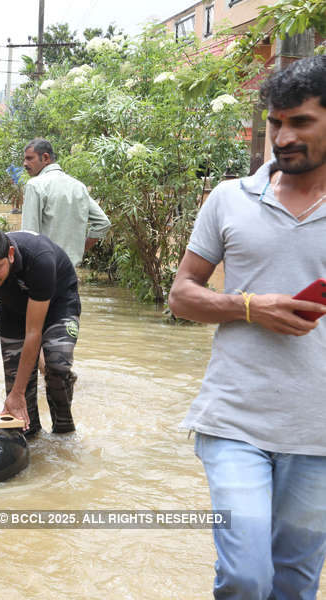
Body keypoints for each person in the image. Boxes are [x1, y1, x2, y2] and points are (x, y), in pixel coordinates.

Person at [168, 56, 326, 599]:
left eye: (300, 122)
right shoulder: (229, 198)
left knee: (296, 583)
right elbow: (182, 295)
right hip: (235, 419)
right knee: (245, 576)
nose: (283, 137)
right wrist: (250, 306)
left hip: (320, 432)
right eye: (276, 122)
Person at [0, 226, 80, 435]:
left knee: (57, 367)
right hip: (13, 309)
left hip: (58, 305)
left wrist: (18, 391)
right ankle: (32, 435)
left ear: (10, 255)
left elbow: (34, 332)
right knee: (19, 409)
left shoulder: (39, 259)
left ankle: (64, 433)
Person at [20, 138, 111, 267]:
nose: (25, 163)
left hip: (44, 269)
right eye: (24, 159)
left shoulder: (35, 185)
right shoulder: (78, 186)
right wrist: (80, 250)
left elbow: (28, 236)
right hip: (70, 269)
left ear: (45, 158)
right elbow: (103, 223)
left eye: (30, 158)